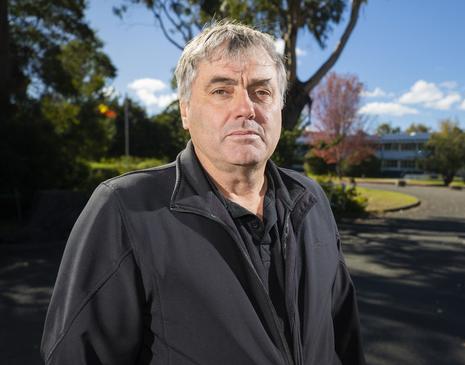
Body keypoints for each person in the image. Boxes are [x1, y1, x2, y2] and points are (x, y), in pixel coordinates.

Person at [41, 21, 365, 365]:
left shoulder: (311, 202)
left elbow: (344, 337)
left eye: (262, 91)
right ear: (185, 110)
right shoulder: (125, 209)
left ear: (279, 108)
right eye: (222, 91)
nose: (246, 108)